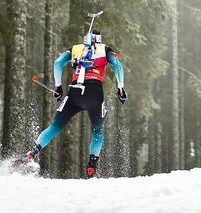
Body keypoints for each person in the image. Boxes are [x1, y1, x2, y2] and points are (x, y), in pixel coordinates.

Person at [24, 29, 127, 178]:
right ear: (99, 39)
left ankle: (33, 151)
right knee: (97, 131)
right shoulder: (105, 49)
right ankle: (92, 165)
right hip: (94, 94)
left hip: (74, 93)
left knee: (55, 126)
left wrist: (58, 87)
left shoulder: (75, 49)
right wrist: (121, 88)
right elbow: (117, 65)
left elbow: (58, 62)